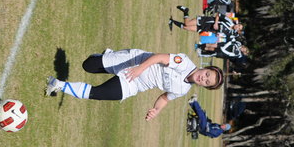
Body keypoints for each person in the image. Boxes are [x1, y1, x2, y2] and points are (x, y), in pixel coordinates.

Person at [45, 49, 223, 121]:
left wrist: (156, 110)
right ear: (205, 68)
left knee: (98, 93)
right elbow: (159, 57)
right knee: (88, 65)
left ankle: (57, 84)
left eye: (207, 82)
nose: (203, 78)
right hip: (135, 61)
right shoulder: (184, 62)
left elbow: (164, 97)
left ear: (205, 87)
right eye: (207, 74)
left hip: (135, 84)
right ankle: (106, 56)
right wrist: (140, 68)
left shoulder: (183, 90)